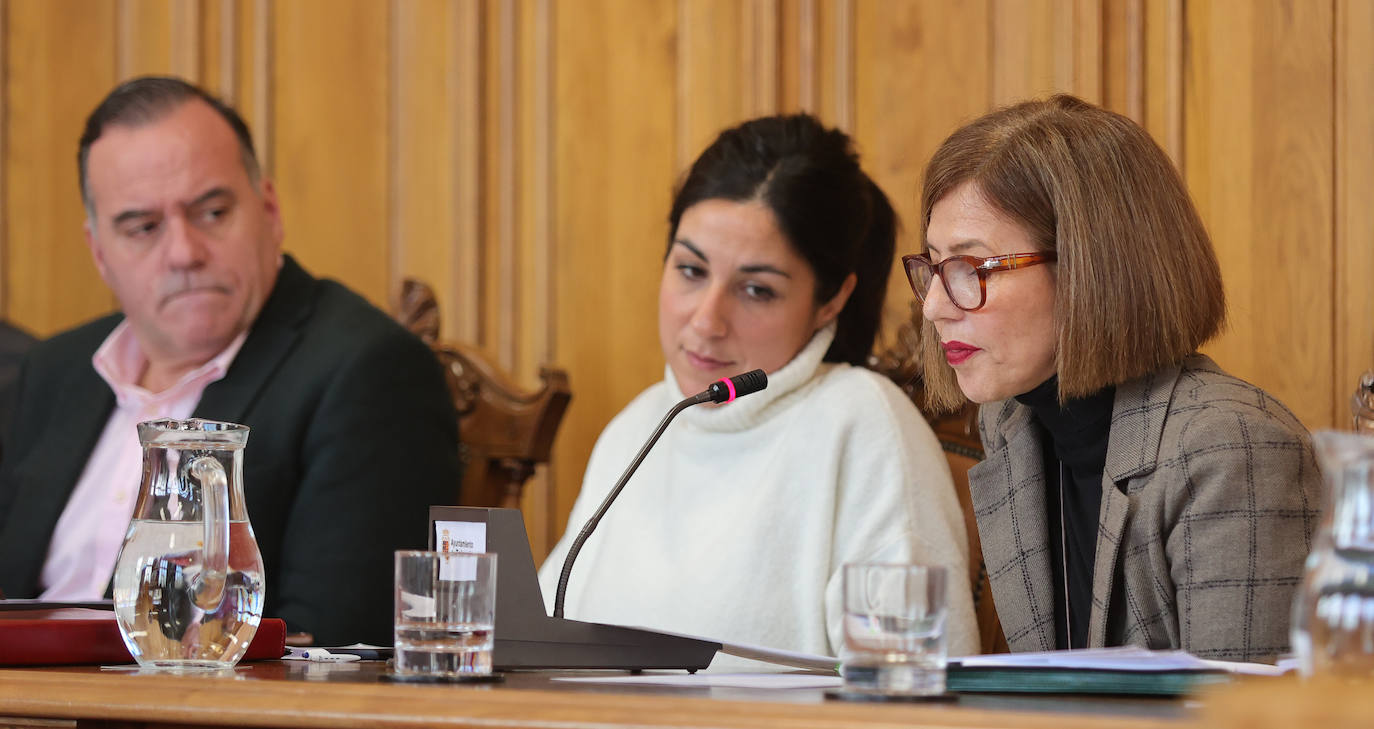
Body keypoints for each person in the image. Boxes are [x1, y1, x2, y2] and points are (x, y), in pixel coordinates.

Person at [0, 77, 462, 645]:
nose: (184, 252)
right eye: (143, 227)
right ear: (100, 252)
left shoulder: (372, 372)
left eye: (212, 212)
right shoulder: (56, 370)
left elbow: (334, 645)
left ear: (268, 210)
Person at [539, 114, 978, 666]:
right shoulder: (642, 423)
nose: (705, 321)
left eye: (755, 289)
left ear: (831, 300)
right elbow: (537, 646)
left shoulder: (864, 426)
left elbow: (911, 699)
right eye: (691, 270)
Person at [907, 94, 1319, 661]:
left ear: (1088, 268)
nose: (933, 307)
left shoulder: (1233, 449)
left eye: (970, 268)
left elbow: (1250, 719)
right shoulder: (1012, 424)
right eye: (931, 266)